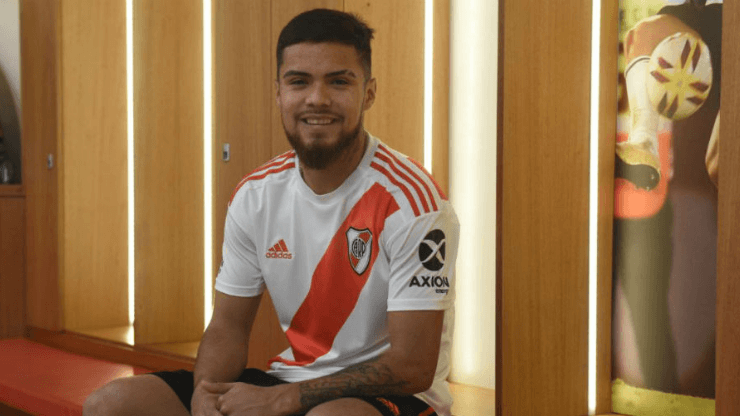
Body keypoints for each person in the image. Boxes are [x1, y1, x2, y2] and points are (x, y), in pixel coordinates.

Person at [83, 8, 459, 416]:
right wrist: (203, 395)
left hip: (396, 397)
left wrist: (282, 400)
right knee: (113, 403)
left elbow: (413, 366)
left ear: (368, 93)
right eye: (299, 81)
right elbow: (227, 325)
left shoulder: (411, 201)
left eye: (339, 81)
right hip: (291, 381)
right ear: (278, 91)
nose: (317, 98)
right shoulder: (255, 195)